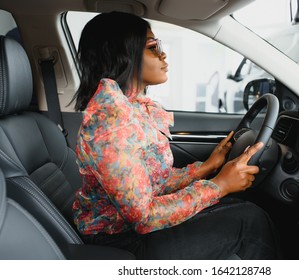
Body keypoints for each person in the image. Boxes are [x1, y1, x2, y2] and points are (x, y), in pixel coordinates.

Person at [71, 11, 280, 259]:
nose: (163, 54)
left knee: (242, 209)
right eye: (152, 47)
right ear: (123, 55)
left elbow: (149, 185)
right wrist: (219, 184)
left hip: (129, 230)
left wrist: (204, 169)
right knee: (250, 224)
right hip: (121, 243)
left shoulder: (130, 106)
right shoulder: (110, 123)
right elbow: (144, 216)